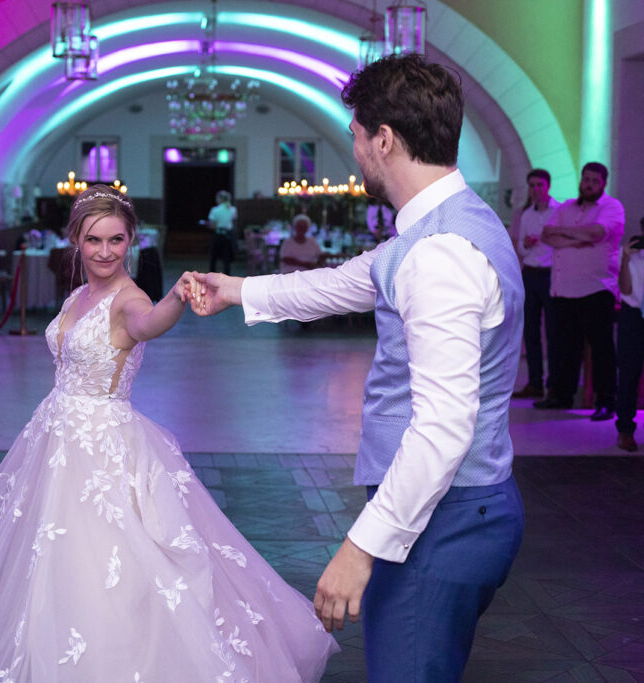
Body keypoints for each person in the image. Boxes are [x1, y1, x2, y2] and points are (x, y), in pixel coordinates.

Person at [190, 55, 525, 681]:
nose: (355, 149)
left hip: (443, 520)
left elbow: (444, 427)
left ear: (385, 139)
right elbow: (344, 282)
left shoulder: (440, 254)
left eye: (355, 134)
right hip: (460, 509)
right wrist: (234, 290)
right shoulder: (444, 230)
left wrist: (360, 546)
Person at [0, 186, 338, 682]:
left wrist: (177, 298)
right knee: (48, 554)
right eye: (94, 240)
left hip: (100, 446)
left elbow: (148, 322)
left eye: (116, 240)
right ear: (76, 239)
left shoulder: (129, 299)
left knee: (110, 555)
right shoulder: (79, 293)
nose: (104, 251)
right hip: (55, 435)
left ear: (131, 241)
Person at [534, 162, 624, 420]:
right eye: (585, 179)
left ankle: (606, 401)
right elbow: (547, 235)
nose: (588, 184)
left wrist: (567, 235)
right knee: (564, 347)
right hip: (563, 290)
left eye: (594, 181)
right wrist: (578, 238)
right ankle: (562, 395)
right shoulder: (566, 207)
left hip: (596, 288)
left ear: (603, 183)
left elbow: (597, 232)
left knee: (601, 349)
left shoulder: (611, 207)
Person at [511, 169, 560, 399]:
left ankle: (554, 382)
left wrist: (546, 241)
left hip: (551, 273)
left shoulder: (559, 211)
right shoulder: (526, 214)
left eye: (539, 185)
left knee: (553, 330)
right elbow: (520, 246)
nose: (535, 189)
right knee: (530, 330)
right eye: (532, 185)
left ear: (548, 186)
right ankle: (534, 381)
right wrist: (528, 244)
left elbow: (561, 242)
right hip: (530, 273)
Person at [615, 219, 644, 451]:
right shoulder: (632, 257)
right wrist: (625, 258)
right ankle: (625, 429)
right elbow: (624, 290)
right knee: (628, 374)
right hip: (633, 317)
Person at [207, 189, 237, 274]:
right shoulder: (233, 209)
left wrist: (207, 225)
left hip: (218, 235)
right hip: (228, 235)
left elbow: (213, 225)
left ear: (220, 199)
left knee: (214, 257)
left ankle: (212, 275)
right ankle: (227, 276)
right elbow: (233, 222)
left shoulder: (215, 210)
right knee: (226, 258)